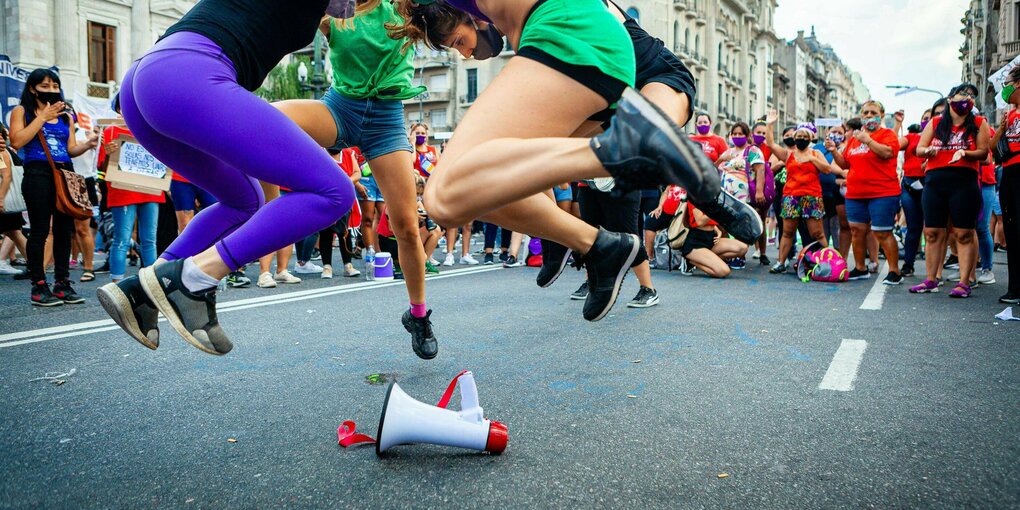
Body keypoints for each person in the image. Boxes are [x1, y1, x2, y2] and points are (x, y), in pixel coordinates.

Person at [392, 0, 758, 322]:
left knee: (451, 193)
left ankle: (679, 184)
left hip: (638, 66)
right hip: (591, 64)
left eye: (459, 42)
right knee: (486, 181)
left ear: (471, 19)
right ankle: (588, 239)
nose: (466, 54)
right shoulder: (519, 33)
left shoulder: (532, 22)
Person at [98, 0, 358, 354]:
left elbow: (347, 14)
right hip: (189, 76)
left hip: (149, 81)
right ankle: (194, 280)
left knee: (245, 200)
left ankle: (142, 294)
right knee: (333, 192)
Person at [274, 1, 439, 358]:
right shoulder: (333, 11)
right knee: (269, 117)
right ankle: (263, 212)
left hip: (386, 120)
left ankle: (419, 315)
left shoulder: (405, 8)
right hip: (340, 108)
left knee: (407, 226)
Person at [8, 69, 98, 306]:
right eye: (45, 86)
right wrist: (42, 117)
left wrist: (88, 144)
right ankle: (38, 286)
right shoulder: (21, 112)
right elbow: (16, 142)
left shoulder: (67, 117)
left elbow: (70, 149)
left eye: (54, 86)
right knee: (39, 230)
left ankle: (62, 283)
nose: (51, 90)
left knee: (63, 230)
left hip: (65, 173)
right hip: (37, 172)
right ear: (32, 88)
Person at [910, 84, 990, 297]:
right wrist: (928, 151)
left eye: (970, 97)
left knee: (964, 233)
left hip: (964, 181)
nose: (966, 99)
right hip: (936, 181)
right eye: (962, 95)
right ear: (950, 99)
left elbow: (984, 152)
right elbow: (918, 149)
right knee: (933, 232)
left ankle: (964, 282)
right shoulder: (936, 123)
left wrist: (965, 153)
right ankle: (930, 279)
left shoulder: (979, 123)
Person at [828, 100, 903, 285]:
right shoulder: (854, 139)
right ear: (861, 116)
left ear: (882, 115)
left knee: (882, 232)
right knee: (856, 230)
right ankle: (860, 267)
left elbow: (887, 153)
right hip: (856, 193)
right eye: (866, 113)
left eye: (873, 112)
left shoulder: (887, 134)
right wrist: (834, 151)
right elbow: (845, 163)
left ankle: (894, 271)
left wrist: (868, 140)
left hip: (883, 192)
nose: (869, 116)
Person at [96, 96, 164, 283]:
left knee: (149, 239)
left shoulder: (150, 131)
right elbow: (102, 168)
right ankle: (117, 283)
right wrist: (109, 153)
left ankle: (151, 283)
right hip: (122, 191)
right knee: (122, 239)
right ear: (119, 109)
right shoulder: (110, 131)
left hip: (150, 189)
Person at [992, 66, 1020, 303]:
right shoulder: (1009, 116)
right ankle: (1015, 288)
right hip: (1008, 172)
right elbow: (994, 149)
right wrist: (1001, 128)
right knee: (1012, 230)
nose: (1005, 87)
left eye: (1008, 82)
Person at [898, 108, 934, 277]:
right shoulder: (911, 137)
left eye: (930, 118)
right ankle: (908, 263)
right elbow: (893, 145)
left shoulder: (941, 137)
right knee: (913, 227)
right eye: (924, 118)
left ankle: (933, 270)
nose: (926, 121)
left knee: (933, 229)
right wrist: (898, 123)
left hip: (931, 183)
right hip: (909, 184)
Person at [681, 202, 749, 279]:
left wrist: (717, 231)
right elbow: (699, 221)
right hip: (696, 242)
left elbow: (709, 221)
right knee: (724, 271)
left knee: (742, 248)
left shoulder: (710, 197)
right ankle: (690, 261)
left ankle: (703, 259)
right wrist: (716, 211)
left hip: (711, 238)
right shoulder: (695, 198)